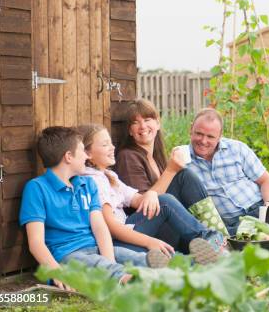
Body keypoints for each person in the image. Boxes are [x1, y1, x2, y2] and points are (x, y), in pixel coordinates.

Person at [19, 127, 167, 290]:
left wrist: (110, 259)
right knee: (102, 266)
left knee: (138, 258)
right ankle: (132, 283)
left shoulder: (87, 184)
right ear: (68, 157)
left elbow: (100, 227)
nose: (86, 156)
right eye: (82, 151)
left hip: (95, 249)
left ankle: (178, 270)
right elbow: (36, 243)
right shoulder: (37, 188)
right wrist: (56, 272)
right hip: (66, 257)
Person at [78, 123, 224, 264]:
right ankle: (210, 241)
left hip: (128, 232)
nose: (112, 147)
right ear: (87, 153)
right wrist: (150, 241)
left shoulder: (108, 176)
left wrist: (151, 194)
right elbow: (112, 228)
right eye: (105, 145)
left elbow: (139, 201)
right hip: (117, 242)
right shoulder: (94, 181)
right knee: (165, 205)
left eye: (111, 143)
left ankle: (209, 248)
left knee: (163, 201)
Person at [115, 99, 229, 244]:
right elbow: (146, 204)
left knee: (183, 175)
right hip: (146, 229)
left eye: (147, 119)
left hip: (165, 224)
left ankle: (217, 238)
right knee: (181, 179)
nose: (142, 126)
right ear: (130, 131)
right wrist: (171, 170)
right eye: (135, 122)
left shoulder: (156, 156)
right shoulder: (128, 156)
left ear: (158, 123)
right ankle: (215, 240)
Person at [185, 108, 269, 235]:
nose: (203, 141)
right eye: (199, 134)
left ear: (220, 136)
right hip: (235, 223)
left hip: (263, 205)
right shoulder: (183, 162)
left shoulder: (237, 149)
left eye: (210, 136)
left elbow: (266, 181)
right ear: (191, 129)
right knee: (262, 242)